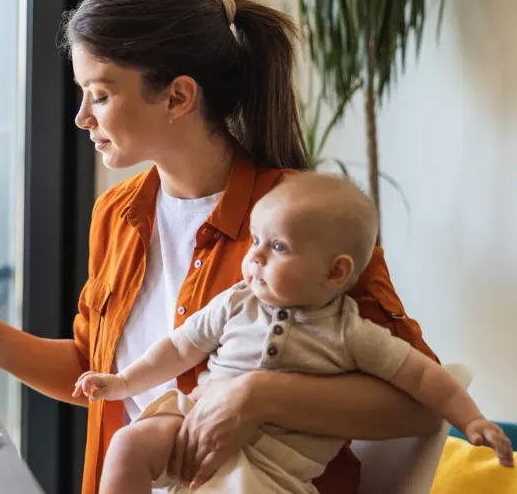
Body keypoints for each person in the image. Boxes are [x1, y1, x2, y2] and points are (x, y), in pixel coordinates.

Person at [0, 0, 446, 493]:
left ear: (179, 97)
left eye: (102, 94)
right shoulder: (117, 214)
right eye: (83, 92)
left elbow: (423, 400)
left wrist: (259, 394)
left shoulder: (303, 218)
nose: (82, 117)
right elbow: (98, 368)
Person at [73, 173, 513, 494]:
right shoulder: (237, 301)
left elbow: (423, 377)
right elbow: (178, 346)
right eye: (256, 241)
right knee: (129, 445)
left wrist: (472, 420)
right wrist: (124, 382)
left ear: (335, 271)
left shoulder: (351, 333)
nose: (257, 257)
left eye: (278, 247)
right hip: (193, 423)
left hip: (274, 473)